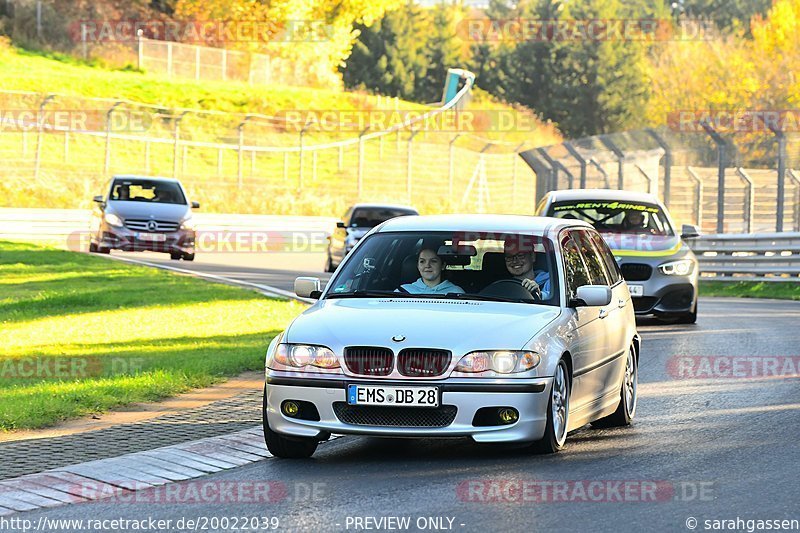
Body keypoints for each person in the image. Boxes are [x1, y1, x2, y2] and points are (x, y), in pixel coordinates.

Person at [399, 248, 464, 294]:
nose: (427, 265)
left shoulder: (456, 293)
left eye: (433, 261)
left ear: (443, 266)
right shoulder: (402, 292)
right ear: (418, 266)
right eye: (422, 261)